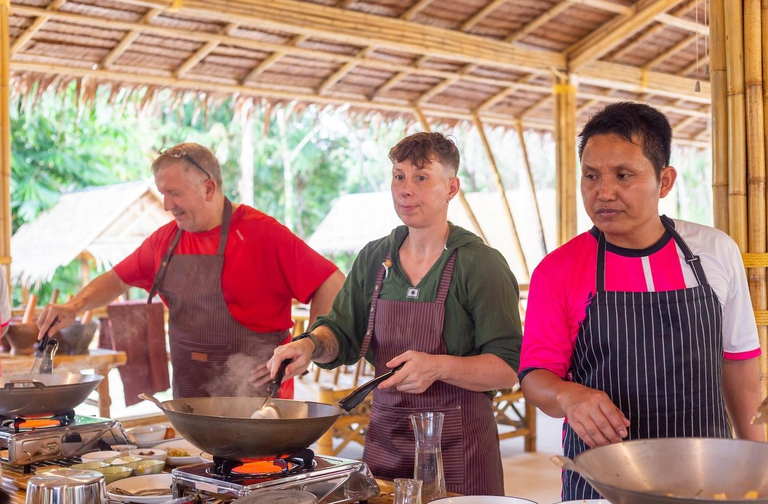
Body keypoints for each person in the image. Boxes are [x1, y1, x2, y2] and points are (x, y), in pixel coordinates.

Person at [519, 102, 764, 501]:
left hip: (709, 481)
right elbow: (534, 378)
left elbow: (739, 361)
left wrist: (757, 465)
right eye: (591, 175)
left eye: (623, 176)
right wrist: (569, 395)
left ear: (664, 181)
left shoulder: (715, 252)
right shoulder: (557, 269)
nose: (604, 192)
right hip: (601, 486)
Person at [267, 132, 522, 495]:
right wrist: (309, 345)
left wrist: (439, 367)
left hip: (459, 449)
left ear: (452, 187)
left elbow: (508, 368)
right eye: (398, 176)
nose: (405, 189)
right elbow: (339, 333)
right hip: (386, 438)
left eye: (421, 177)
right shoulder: (374, 258)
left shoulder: (479, 264)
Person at [36, 143, 345, 399]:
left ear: (208, 187)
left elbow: (331, 282)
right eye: (162, 193)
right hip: (190, 402)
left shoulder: (261, 234)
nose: (167, 204)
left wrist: (308, 343)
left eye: (175, 193)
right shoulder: (165, 241)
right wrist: (74, 306)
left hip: (258, 400)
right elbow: (118, 279)